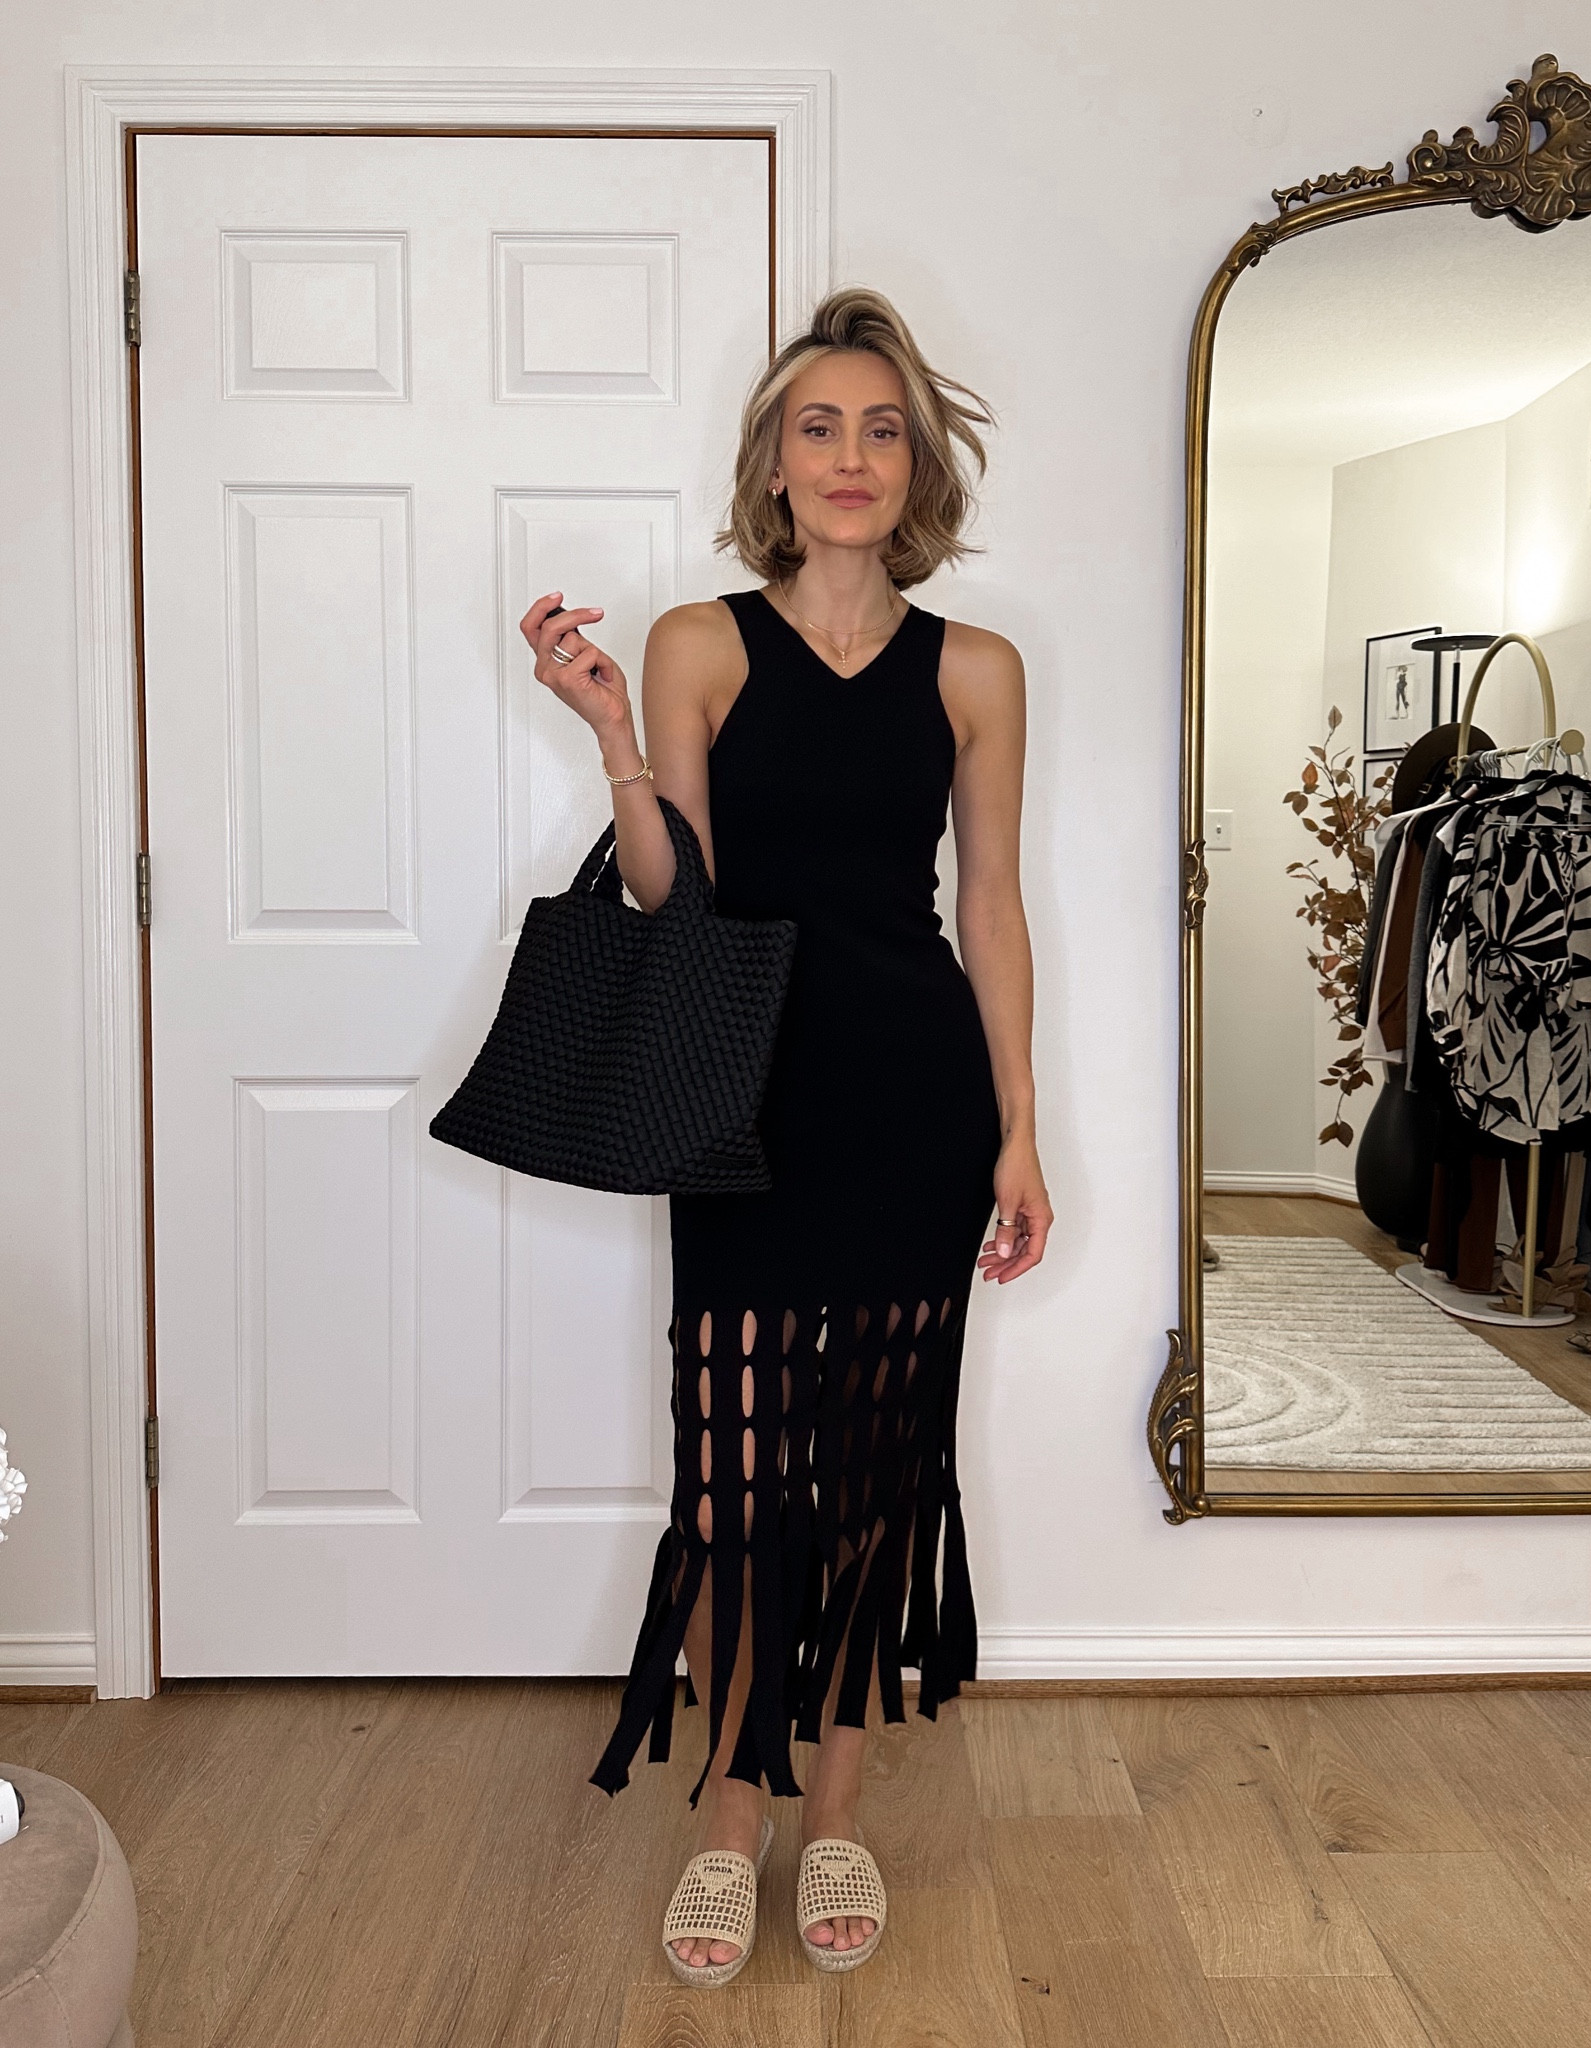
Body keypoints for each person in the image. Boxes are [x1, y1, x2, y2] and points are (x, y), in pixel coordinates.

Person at [518, 286, 1050, 1983]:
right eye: (818, 427)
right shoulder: (699, 643)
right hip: (741, 1105)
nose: (850, 456)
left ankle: (835, 1812)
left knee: (878, 1479)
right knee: (739, 1481)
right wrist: (613, 734)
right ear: (772, 461)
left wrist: (1020, 1130)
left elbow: (990, 904)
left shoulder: (974, 670)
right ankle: (726, 1815)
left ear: (918, 466)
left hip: (913, 1103)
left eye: (882, 429)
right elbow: (675, 894)